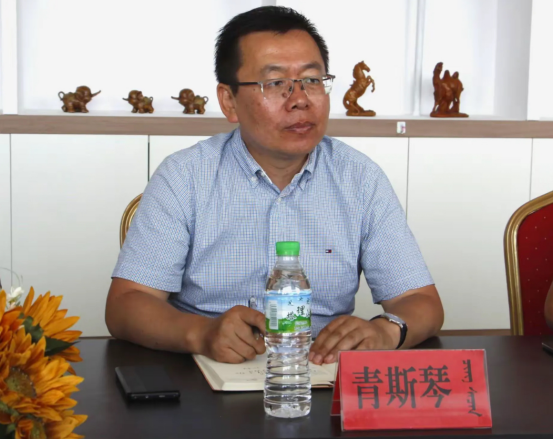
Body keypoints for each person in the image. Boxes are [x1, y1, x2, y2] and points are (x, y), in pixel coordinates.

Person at [106, 6, 444, 365]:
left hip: (318, 372)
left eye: (312, 80)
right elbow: (126, 304)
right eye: (275, 83)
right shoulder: (185, 177)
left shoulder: (360, 179)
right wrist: (201, 334)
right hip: (205, 371)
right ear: (229, 101)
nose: (300, 99)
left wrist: (385, 331)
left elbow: (421, 302)